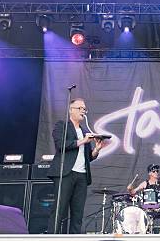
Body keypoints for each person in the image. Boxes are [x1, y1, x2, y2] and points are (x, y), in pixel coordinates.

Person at [46, 98, 106, 234]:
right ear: (71, 110)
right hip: (65, 173)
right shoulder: (62, 126)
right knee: (59, 211)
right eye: (80, 108)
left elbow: (88, 157)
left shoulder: (85, 131)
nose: (83, 111)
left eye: (84, 109)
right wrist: (82, 141)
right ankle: (51, 237)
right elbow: (61, 145)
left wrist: (96, 149)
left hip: (82, 176)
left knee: (77, 213)